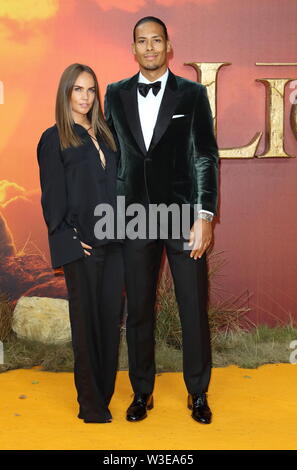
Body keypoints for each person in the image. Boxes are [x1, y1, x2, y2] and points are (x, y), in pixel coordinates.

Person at [104, 17, 219, 424]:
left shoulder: (192, 94)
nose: (149, 47)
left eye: (157, 40)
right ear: (132, 48)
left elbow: (204, 155)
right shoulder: (114, 94)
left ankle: (198, 393)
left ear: (169, 46)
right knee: (137, 309)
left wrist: (205, 214)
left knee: (192, 306)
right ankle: (141, 392)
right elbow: (112, 157)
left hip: (183, 215)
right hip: (135, 216)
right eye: (142, 41)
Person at [37, 63, 124, 423]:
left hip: (115, 243)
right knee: (86, 327)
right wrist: (69, 240)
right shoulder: (53, 137)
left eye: (91, 90)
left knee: (108, 323)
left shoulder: (107, 135)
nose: (86, 97)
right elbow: (52, 198)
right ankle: (89, 405)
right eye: (78, 90)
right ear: (66, 93)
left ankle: (104, 394)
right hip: (82, 248)